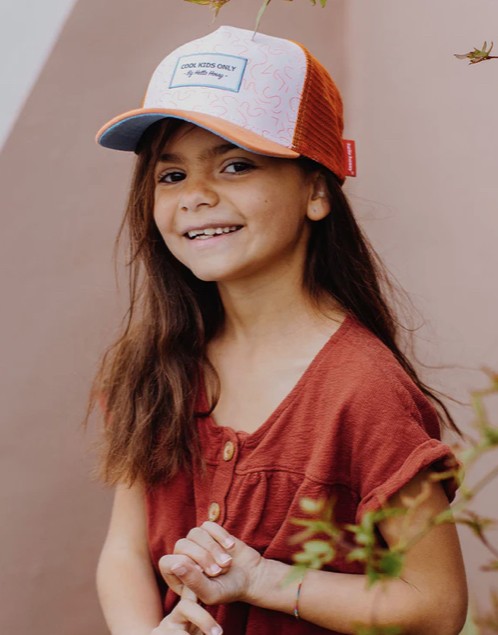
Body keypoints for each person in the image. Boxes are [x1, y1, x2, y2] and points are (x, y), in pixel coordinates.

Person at [91, 25, 467, 635]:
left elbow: (435, 607)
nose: (195, 196)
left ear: (316, 190)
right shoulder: (156, 362)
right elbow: (124, 553)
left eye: (235, 165)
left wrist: (263, 580)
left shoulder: (361, 390)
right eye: (171, 175)